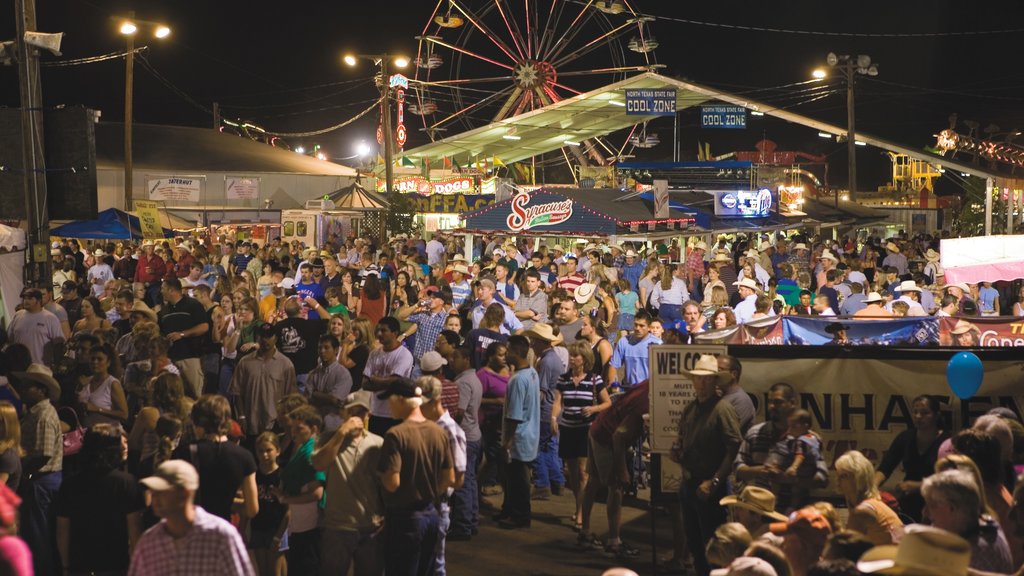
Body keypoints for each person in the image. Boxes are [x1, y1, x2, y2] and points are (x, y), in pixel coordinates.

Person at [670, 355, 743, 576]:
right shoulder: (691, 409)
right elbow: (682, 439)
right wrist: (678, 451)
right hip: (690, 483)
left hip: (710, 486)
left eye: (707, 379)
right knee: (695, 545)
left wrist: (715, 481)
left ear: (714, 381)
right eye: (698, 379)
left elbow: (734, 447)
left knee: (713, 547)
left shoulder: (722, 409)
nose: (701, 383)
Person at [375, 377, 455, 576]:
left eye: (390, 400)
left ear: (401, 400)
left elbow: (392, 483)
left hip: (404, 519)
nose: (388, 406)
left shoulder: (396, 435)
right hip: (431, 515)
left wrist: (379, 475)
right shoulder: (439, 432)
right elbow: (449, 478)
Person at [128, 459, 255, 576]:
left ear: (184, 494)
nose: (154, 498)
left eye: (161, 492)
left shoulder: (220, 537)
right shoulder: (149, 543)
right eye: (153, 492)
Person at [56, 423, 145, 576]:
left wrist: (64, 567)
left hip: (80, 566)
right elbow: (134, 530)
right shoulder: (127, 483)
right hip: (116, 565)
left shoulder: (70, 484)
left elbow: (63, 530)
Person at [312, 391, 384, 576]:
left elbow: (383, 483)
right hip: (337, 526)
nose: (356, 418)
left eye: (361, 412)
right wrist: (341, 432)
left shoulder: (377, 443)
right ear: (343, 413)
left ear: (368, 415)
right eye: (351, 412)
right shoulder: (328, 439)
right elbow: (319, 463)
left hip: (369, 526)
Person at [579, 380, 649, 559]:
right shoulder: (648, 399)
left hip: (599, 428)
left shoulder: (649, 386)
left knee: (593, 482)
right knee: (616, 487)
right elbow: (619, 437)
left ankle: (585, 531)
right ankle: (613, 541)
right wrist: (622, 469)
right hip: (607, 436)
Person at [552, 341, 611, 532]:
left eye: (575, 356)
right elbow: (558, 401)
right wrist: (553, 417)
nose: (571, 359)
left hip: (585, 429)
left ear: (584, 359)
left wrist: (593, 408)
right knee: (573, 473)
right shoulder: (563, 379)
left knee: (584, 472)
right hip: (568, 428)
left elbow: (607, 403)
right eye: (571, 355)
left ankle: (580, 513)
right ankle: (579, 506)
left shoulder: (594, 380)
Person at [12, 363, 63, 576]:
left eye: (28, 386)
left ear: (41, 390)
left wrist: (24, 470)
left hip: (41, 480)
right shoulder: (36, 413)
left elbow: (43, 453)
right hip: (41, 479)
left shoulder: (42, 416)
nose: (23, 390)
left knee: (38, 533)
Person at [175, 394, 259, 522]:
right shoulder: (245, 457)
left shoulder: (183, 453)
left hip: (189, 529)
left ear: (197, 422)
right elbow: (252, 510)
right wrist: (229, 503)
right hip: (221, 530)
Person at [920, 469, 1013, 574]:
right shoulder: (983, 525)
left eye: (932, 505)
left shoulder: (975, 554)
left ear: (952, 508)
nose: (925, 512)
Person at [417, 376, 466, 576]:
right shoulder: (425, 425)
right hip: (423, 506)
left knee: (434, 566)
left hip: (437, 506)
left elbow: (458, 478)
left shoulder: (450, 430)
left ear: (435, 401)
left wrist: (431, 492)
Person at [874, 395, 949, 522]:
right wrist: (872, 487)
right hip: (908, 505)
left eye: (925, 413)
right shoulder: (906, 437)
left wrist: (918, 486)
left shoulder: (946, 443)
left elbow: (951, 480)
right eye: (915, 412)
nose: (919, 416)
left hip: (938, 503)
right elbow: (885, 467)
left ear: (936, 415)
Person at [230, 323, 299, 445]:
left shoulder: (286, 364)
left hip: (274, 425)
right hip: (250, 423)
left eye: (269, 336)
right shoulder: (245, 362)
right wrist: (241, 416)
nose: (265, 340)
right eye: (262, 336)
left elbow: (291, 397)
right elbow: (237, 391)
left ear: (275, 338)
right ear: (257, 338)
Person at [277, 405, 326, 575]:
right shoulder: (302, 449)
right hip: (299, 524)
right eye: (292, 428)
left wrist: (284, 499)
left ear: (313, 429)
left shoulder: (311, 452)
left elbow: (317, 493)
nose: (293, 432)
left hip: (308, 525)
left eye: (299, 428)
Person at [834, 450, 904, 545]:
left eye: (843, 476)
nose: (837, 480)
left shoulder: (862, 511)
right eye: (837, 475)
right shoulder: (873, 503)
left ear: (858, 478)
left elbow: (845, 548)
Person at [449, 347, 482, 541]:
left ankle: (462, 525)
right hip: (472, 435)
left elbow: (459, 412)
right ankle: (471, 520)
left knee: (462, 482)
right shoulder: (473, 378)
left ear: (466, 359)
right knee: (469, 481)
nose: (452, 361)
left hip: (465, 437)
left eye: (456, 357)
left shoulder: (463, 382)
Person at [362, 317, 415, 436]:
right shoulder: (374, 354)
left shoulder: (404, 355)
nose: (379, 334)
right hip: (375, 412)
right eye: (378, 330)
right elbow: (365, 383)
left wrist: (375, 380)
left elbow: (395, 381)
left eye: (384, 330)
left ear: (395, 333)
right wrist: (388, 384)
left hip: (395, 414)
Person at [158, 278, 210, 399]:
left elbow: (204, 326)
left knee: (194, 394)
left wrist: (182, 334)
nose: (161, 291)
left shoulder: (193, 305)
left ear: (171, 290)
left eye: (163, 288)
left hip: (190, 357)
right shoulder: (164, 310)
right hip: (171, 358)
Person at [247, 432, 288, 576]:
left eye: (268, 450)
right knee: (262, 571)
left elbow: (289, 510)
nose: (264, 455)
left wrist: (279, 535)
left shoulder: (282, 475)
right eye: (260, 451)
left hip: (277, 527)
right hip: (258, 527)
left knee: (275, 571)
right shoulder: (253, 475)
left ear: (278, 450)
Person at [305, 334, 353, 435]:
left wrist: (315, 394)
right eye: (320, 348)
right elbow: (307, 398)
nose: (322, 351)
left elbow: (334, 400)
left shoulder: (343, 374)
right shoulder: (313, 373)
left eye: (326, 348)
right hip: (315, 426)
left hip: (334, 427)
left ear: (336, 350)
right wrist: (326, 398)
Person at [8, 288, 65, 365]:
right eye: (25, 298)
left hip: (41, 367)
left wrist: (56, 364)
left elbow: (58, 344)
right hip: (19, 366)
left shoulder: (50, 318)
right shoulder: (17, 315)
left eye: (30, 298)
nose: (26, 301)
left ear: (38, 300)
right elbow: (10, 339)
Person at [607, 311, 661, 389]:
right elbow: (613, 365)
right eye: (636, 325)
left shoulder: (657, 344)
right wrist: (613, 385)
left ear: (649, 327)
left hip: (648, 390)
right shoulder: (624, 341)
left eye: (642, 326)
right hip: (628, 388)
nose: (638, 328)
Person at [719, 485, 787, 544]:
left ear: (756, 516)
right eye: (736, 508)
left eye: (740, 509)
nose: (735, 513)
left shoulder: (766, 540)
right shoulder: (754, 537)